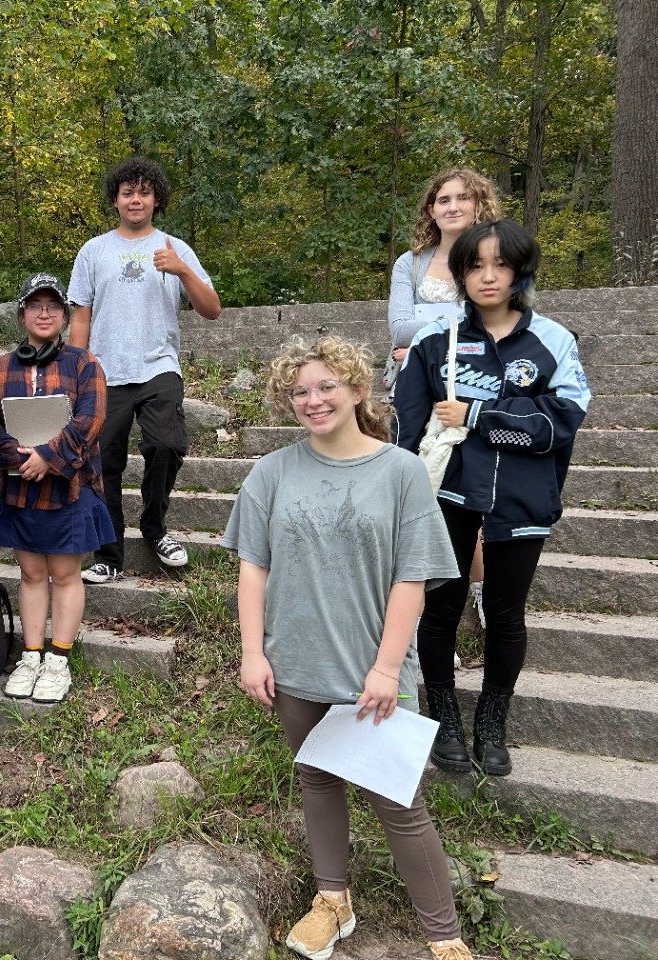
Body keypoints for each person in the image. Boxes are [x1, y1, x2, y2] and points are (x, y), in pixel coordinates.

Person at [224, 336, 472, 960]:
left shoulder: (400, 472)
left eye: (326, 386)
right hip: (295, 663)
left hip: (374, 669)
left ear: (358, 389)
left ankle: (444, 935)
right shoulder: (272, 472)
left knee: (398, 803)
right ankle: (333, 899)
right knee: (316, 780)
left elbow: (412, 577)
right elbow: (252, 567)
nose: (314, 400)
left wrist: (388, 668)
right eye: (300, 390)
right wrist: (253, 652)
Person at [395, 219, 590, 777]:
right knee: (440, 612)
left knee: (506, 615)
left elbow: (559, 426)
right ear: (460, 274)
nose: (487, 276)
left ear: (518, 271)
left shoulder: (553, 341)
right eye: (474, 265)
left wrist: (478, 416)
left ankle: (492, 720)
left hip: (524, 499)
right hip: (448, 495)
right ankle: (446, 719)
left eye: (499, 265)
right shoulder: (436, 342)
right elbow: (408, 431)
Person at [68, 156, 221, 582]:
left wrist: (183, 269)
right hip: (104, 373)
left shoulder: (175, 248)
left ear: (156, 200)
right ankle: (109, 553)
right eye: (127, 192)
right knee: (106, 464)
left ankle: (155, 527)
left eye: (144, 192)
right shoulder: (94, 250)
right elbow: (80, 317)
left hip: (159, 367)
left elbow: (212, 309)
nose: (136, 199)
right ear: (115, 200)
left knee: (166, 445)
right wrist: (76, 370)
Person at [0, 273, 112, 703]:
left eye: (53, 307)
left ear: (64, 315)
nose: (44, 313)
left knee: (63, 573)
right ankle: (31, 654)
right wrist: (16, 457)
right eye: (35, 306)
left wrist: (49, 456)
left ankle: (58, 659)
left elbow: (91, 421)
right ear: (22, 314)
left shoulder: (83, 363)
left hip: (70, 488)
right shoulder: (0, 368)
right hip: (21, 489)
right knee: (32, 572)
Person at [387, 169, 502, 623]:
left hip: (472, 385)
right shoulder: (410, 263)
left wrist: (424, 327)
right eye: (442, 200)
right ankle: (425, 599)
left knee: (463, 492)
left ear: (478, 205)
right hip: (416, 385)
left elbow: (494, 314)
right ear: (431, 209)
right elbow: (397, 327)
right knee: (421, 489)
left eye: (462, 198)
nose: (452, 207)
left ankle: (479, 589)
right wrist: (455, 317)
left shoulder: (492, 258)